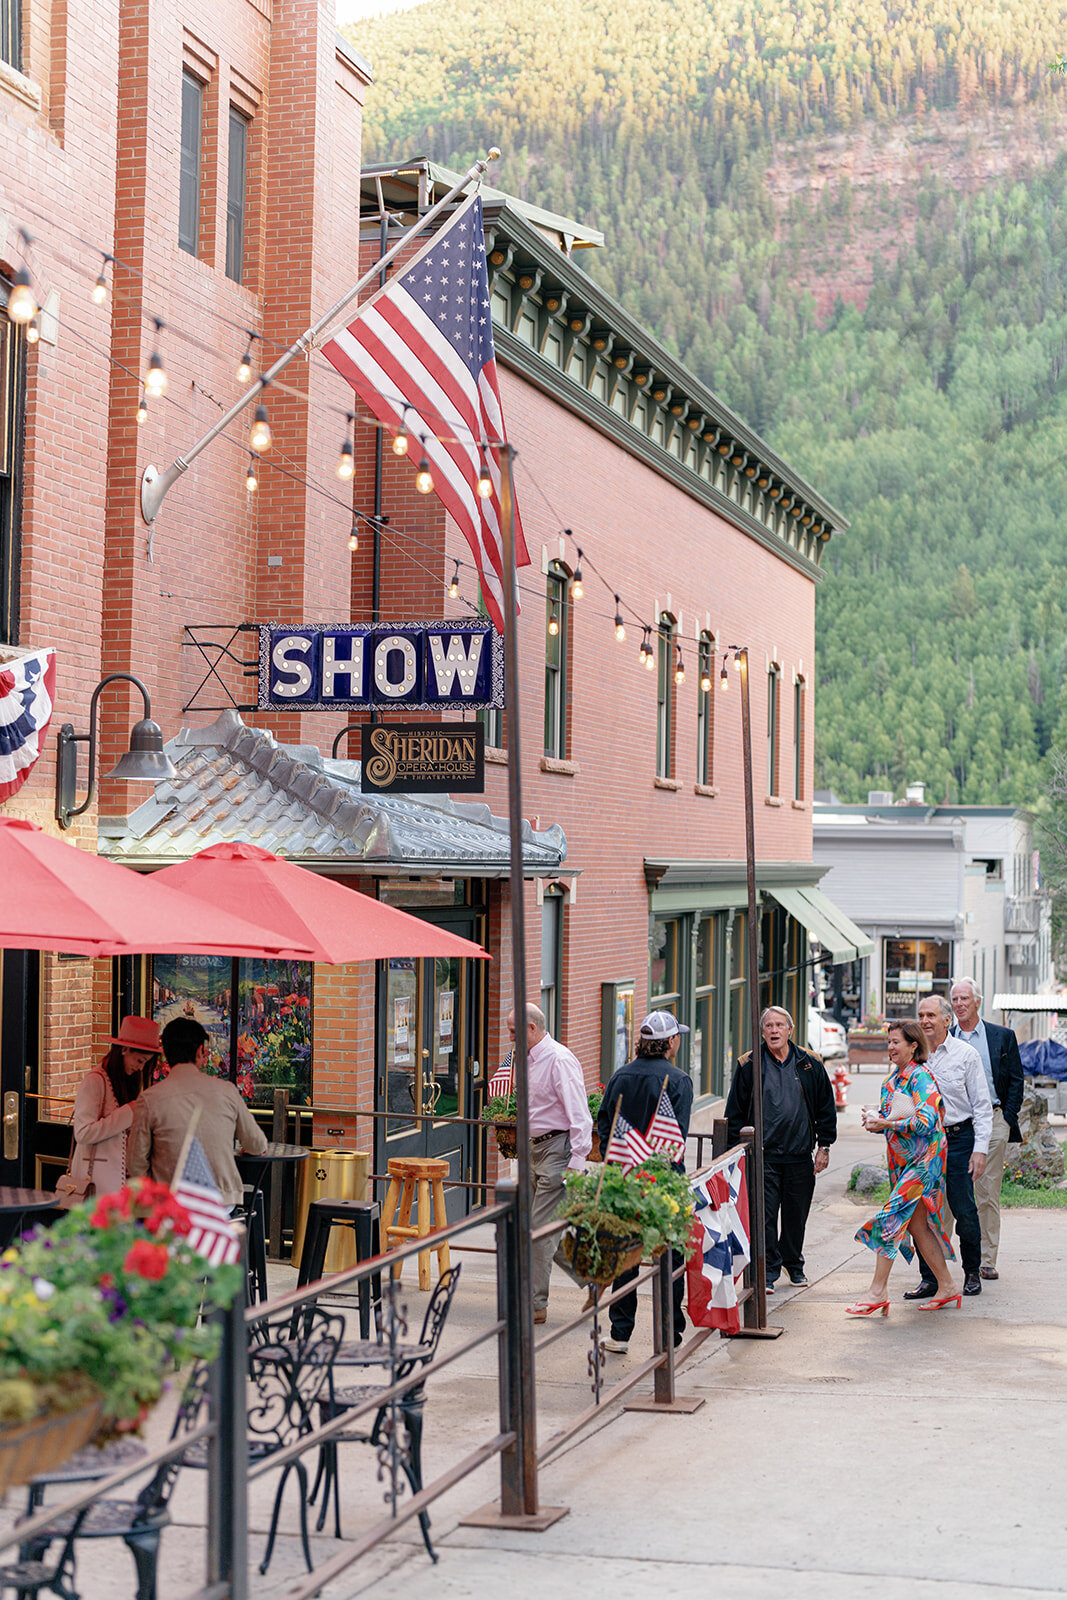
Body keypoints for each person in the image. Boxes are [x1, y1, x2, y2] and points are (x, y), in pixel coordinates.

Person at [596, 1010, 693, 1355]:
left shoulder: (620, 1075)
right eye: (677, 1037)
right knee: (671, 1258)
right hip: (664, 1184)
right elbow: (675, 1139)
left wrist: (621, 1159)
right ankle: (670, 1336)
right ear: (670, 1043)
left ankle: (620, 1334)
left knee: (626, 1259)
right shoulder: (679, 1080)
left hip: (624, 1181)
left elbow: (604, 1126)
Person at [848, 1019, 959, 1315]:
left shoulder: (921, 1077)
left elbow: (927, 1122)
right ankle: (947, 1287)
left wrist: (887, 1123)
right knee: (918, 1226)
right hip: (902, 1163)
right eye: (889, 1042)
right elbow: (891, 1121)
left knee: (891, 1217)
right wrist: (875, 1121)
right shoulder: (891, 1082)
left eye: (897, 1042)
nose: (891, 1047)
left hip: (925, 1163)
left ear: (913, 1046)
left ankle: (877, 1291)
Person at [725, 1005, 836, 1292]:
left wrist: (824, 1146)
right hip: (763, 1157)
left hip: (800, 1155)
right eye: (768, 1026)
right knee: (765, 1216)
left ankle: (794, 1264)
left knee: (796, 1215)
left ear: (790, 1029)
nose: (774, 1031)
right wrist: (732, 1154)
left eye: (779, 1025)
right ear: (762, 1031)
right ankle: (769, 1271)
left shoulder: (810, 1063)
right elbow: (734, 1113)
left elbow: (826, 1107)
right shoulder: (749, 1064)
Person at [507, 1002, 592, 1325]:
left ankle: (534, 1306)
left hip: (558, 1149)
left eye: (514, 1031)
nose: (510, 1037)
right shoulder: (527, 1060)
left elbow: (580, 1114)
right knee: (541, 1228)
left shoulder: (558, 1060)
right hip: (533, 1149)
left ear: (532, 1028)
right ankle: (594, 1275)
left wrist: (577, 1161)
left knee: (540, 1231)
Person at [127, 1016, 266, 1207]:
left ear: (165, 1055)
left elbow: (135, 1164)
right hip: (221, 1203)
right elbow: (257, 1144)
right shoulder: (227, 1091)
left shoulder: (150, 1099)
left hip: (171, 1205)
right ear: (201, 1051)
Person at [907, 994, 992, 1300]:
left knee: (964, 1209)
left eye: (931, 1015)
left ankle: (971, 1272)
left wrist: (979, 1150)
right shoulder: (912, 1055)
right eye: (921, 1015)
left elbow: (982, 1107)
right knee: (923, 1213)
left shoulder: (965, 1055)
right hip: (922, 1142)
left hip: (958, 1139)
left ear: (947, 1020)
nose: (925, 1021)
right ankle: (930, 1278)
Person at [950, 977, 1024, 1280]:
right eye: (954, 1000)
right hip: (954, 1124)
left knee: (986, 1191)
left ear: (977, 1001)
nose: (959, 1005)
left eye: (964, 999)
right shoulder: (945, 1038)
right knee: (947, 1191)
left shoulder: (1001, 1036)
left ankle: (986, 1258)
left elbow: (1016, 1080)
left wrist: (1006, 1118)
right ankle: (941, 1255)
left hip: (993, 1121)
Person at [60, 1015, 161, 1204]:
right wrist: (129, 1113)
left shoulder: (126, 1080)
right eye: (140, 1061)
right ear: (124, 1050)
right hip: (96, 1185)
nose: (141, 1068)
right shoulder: (95, 1081)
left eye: (146, 1063)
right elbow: (82, 1133)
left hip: (122, 1184)